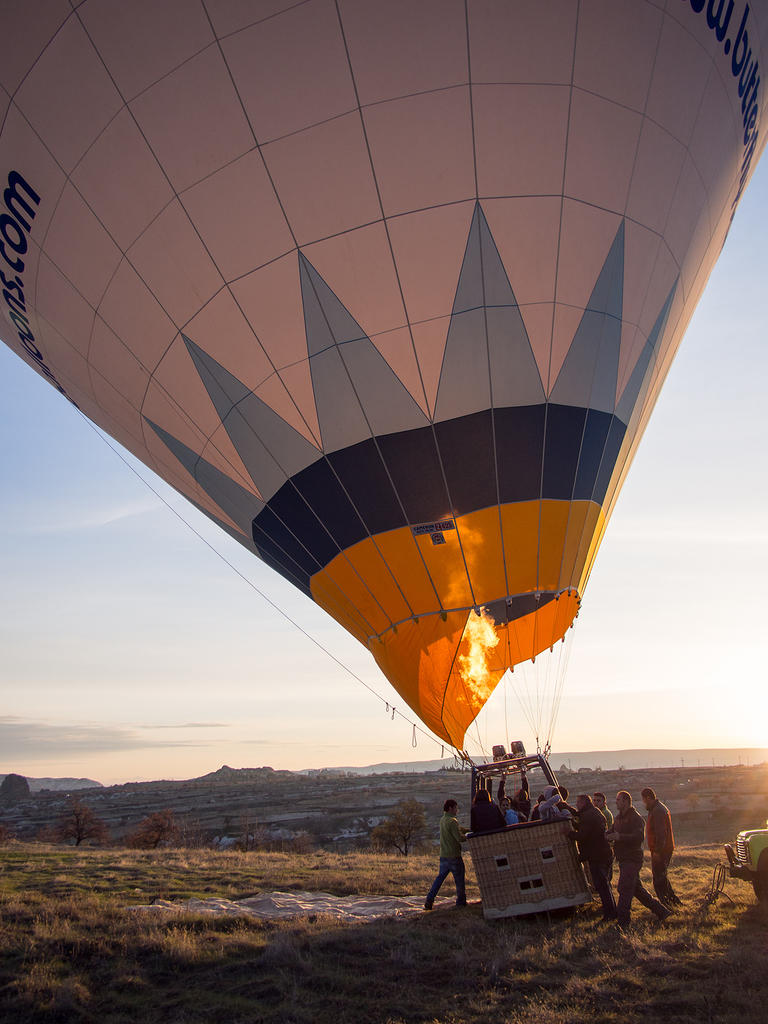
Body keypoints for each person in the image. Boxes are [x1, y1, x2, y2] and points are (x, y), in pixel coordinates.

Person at [606, 791, 671, 929]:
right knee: (636, 890)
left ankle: (623, 922)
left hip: (632, 859)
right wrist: (607, 836)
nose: (616, 802)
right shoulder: (618, 818)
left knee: (624, 888)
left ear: (625, 801)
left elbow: (638, 837)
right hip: (623, 859)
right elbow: (611, 832)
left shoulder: (636, 818)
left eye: (618, 800)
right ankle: (662, 912)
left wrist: (620, 837)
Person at [567, 794, 616, 921]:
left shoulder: (588, 816)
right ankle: (612, 911)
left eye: (578, 802)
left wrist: (568, 833)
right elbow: (585, 828)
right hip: (604, 853)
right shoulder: (593, 812)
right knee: (605, 885)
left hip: (597, 855)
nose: (577, 805)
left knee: (601, 886)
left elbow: (583, 835)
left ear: (583, 803)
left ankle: (609, 914)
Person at [641, 787, 682, 907]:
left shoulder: (658, 811)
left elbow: (661, 833)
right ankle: (673, 903)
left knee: (659, 880)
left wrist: (657, 852)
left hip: (662, 850)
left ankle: (666, 905)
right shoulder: (657, 808)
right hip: (663, 849)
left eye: (644, 800)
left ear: (648, 798)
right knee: (662, 877)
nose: (643, 803)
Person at [424, 799, 467, 909]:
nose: (457, 810)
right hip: (454, 856)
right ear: (450, 808)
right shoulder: (452, 821)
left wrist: (466, 830)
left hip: (444, 855)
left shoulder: (443, 819)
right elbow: (459, 837)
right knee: (459, 880)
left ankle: (429, 899)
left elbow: (458, 829)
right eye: (456, 808)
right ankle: (461, 902)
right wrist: (469, 835)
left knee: (439, 879)